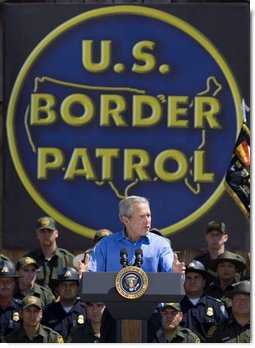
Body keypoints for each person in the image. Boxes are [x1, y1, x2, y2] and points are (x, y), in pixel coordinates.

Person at [80, 195, 185, 273]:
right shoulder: (105, 245)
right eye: (142, 216)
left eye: (149, 215)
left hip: (151, 303)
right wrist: (85, 276)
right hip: (114, 303)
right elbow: (92, 277)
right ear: (126, 220)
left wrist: (175, 273)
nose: (147, 220)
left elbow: (171, 273)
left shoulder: (160, 244)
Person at [24, 216, 74, 295]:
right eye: (42, 231)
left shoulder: (68, 259)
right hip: (35, 304)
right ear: (37, 234)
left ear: (56, 233)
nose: (46, 234)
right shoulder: (29, 260)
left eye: (49, 231)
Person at [180, 260, 228, 342]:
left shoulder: (216, 306)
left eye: (196, 277)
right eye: (188, 278)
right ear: (183, 281)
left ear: (204, 282)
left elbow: (226, 333)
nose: (192, 281)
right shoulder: (176, 305)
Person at [42, 266, 87, 341]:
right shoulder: (47, 311)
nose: (67, 288)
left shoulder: (86, 310)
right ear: (57, 288)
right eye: (63, 285)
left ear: (78, 288)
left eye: (72, 284)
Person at [0, 260, 22, 339]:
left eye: (9, 281)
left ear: (14, 284)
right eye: (1, 281)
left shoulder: (22, 308)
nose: (5, 285)